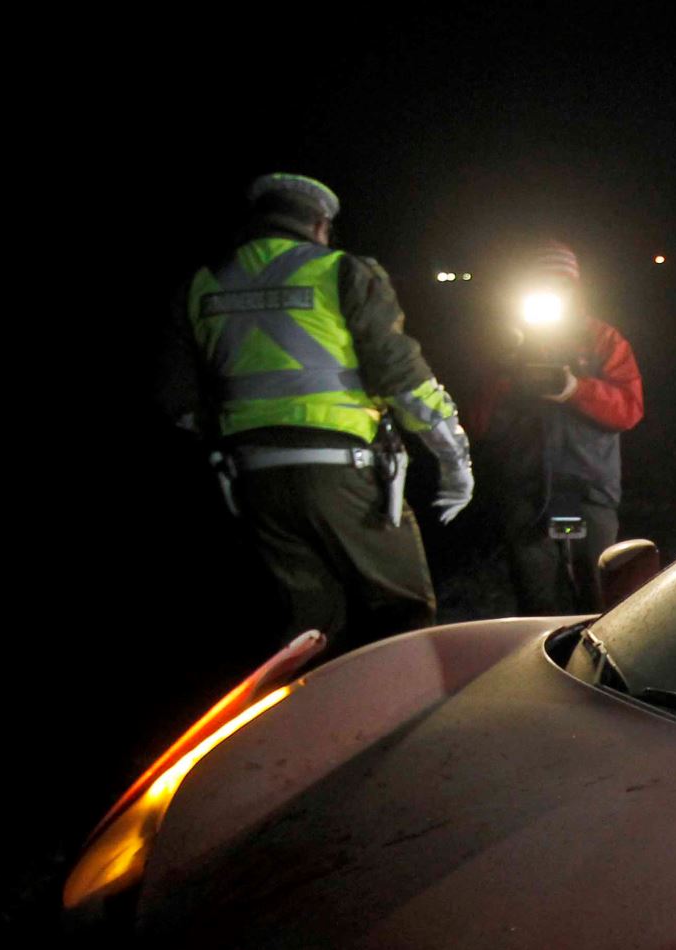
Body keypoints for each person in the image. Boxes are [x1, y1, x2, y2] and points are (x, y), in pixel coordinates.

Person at [163, 172, 473, 652]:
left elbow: (179, 403)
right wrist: (455, 461)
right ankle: (405, 723)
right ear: (319, 223)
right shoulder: (342, 271)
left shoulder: (200, 284)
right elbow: (403, 380)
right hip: (343, 478)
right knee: (402, 611)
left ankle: (303, 723)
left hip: (253, 485)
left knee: (305, 629)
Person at [474, 242, 646, 614]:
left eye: (561, 284)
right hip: (527, 491)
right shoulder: (511, 343)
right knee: (537, 602)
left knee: (601, 598)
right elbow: (481, 423)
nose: (553, 292)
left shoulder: (603, 339)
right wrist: (505, 374)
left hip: (589, 489)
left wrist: (577, 390)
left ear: (576, 287)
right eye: (543, 284)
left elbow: (630, 410)